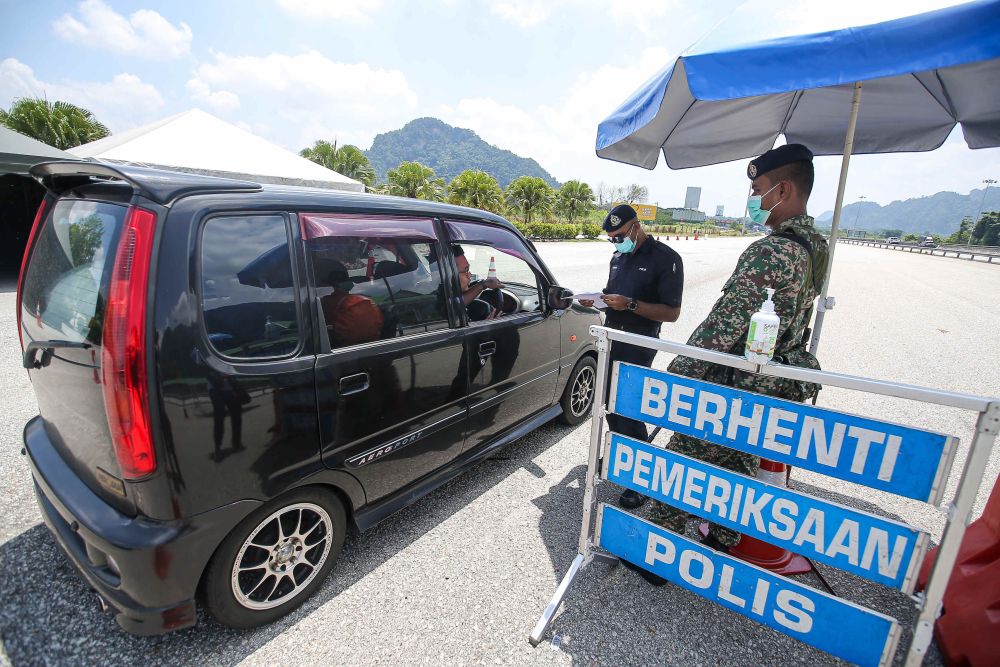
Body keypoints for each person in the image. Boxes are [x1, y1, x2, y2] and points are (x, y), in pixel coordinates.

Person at [642, 143, 830, 585]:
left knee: (684, 463)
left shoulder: (772, 251)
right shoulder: (815, 247)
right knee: (737, 464)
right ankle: (724, 538)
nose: (753, 197)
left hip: (733, 384)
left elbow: (722, 328)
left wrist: (679, 377)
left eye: (757, 188)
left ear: (782, 189)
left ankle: (655, 552)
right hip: (771, 384)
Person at [580, 204, 684, 511]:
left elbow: (672, 312)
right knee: (607, 403)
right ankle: (622, 452)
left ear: (636, 226)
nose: (616, 242)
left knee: (628, 407)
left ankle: (642, 478)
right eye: (611, 238)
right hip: (611, 335)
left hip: (639, 340)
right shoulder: (618, 257)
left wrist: (631, 305)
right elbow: (614, 296)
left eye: (620, 235)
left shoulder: (666, 259)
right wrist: (598, 300)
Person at [320, 263, 384, 347]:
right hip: (374, 344)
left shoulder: (325, 301)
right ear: (349, 282)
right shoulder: (366, 299)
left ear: (329, 284)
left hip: (341, 348)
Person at [454, 245, 504, 321]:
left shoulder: (443, 300)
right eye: (465, 271)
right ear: (449, 276)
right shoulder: (442, 307)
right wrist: (486, 327)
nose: (470, 275)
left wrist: (484, 284)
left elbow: (457, 302)